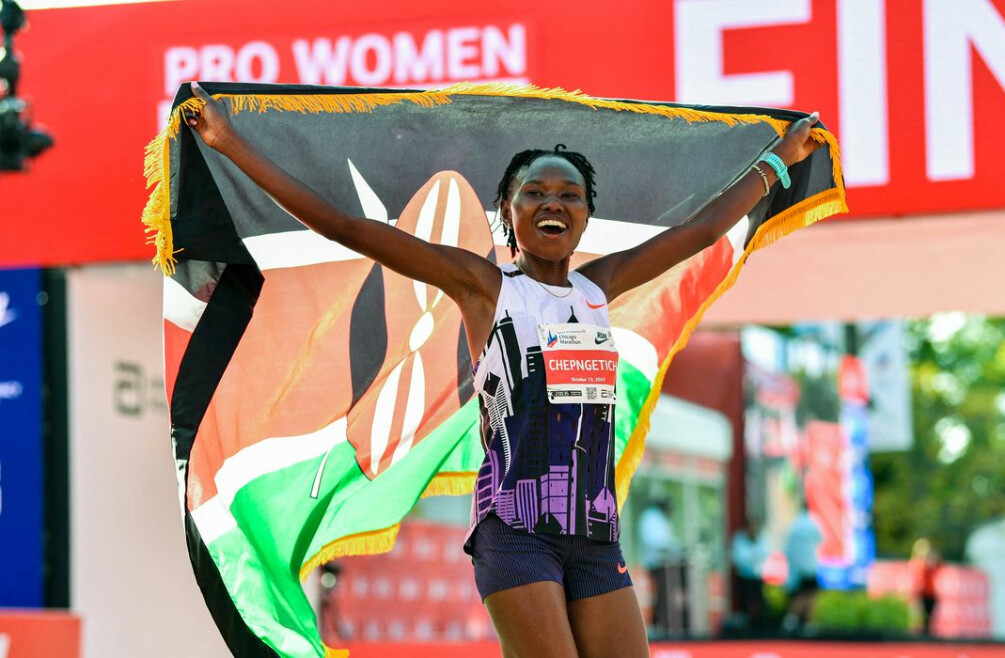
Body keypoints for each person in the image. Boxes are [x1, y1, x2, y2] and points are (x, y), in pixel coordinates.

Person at [185, 82, 820, 658]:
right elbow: (346, 226)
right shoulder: (484, 287)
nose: (552, 202)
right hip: (517, 534)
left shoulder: (600, 287)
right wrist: (230, 143)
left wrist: (777, 162)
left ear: (585, 216)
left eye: (569, 195)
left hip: (596, 537)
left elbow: (703, 229)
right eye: (533, 193)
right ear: (508, 214)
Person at [638, 495, 685, 636]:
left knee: (663, 596)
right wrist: (672, 547)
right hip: (656, 563)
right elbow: (657, 542)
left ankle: (665, 624)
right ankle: (658, 625)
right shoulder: (651, 518)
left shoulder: (659, 519)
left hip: (664, 563)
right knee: (660, 595)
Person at [783, 505, 822, 633]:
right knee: (809, 596)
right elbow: (820, 540)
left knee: (801, 595)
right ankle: (797, 620)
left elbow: (788, 546)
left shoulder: (794, 525)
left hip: (797, 567)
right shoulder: (813, 524)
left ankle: (796, 620)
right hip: (810, 566)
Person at [730, 519, 769, 629]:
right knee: (744, 600)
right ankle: (746, 624)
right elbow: (739, 559)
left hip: (757, 577)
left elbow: (765, 555)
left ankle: (760, 623)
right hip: (744, 576)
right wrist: (754, 557)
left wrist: (753, 558)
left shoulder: (761, 539)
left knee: (760, 600)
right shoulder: (739, 539)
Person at [909, 537, 941, 636]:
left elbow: (939, 565)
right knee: (918, 617)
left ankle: (927, 634)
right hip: (919, 594)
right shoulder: (916, 562)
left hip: (930, 593)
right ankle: (918, 635)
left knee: (929, 618)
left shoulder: (931, 562)